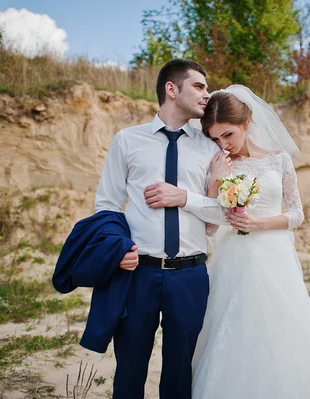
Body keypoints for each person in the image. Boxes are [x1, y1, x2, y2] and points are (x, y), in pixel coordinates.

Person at [189, 85, 310, 398]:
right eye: (215, 138)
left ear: (246, 125)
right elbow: (209, 229)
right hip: (233, 259)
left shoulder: (279, 160)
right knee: (235, 328)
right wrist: (213, 182)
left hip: (273, 255)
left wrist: (259, 224)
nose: (223, 145)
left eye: (228, 135)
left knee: (284, 325)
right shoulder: (220, 165)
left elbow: (297, 214)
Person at [94, 59, 231, 399]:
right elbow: (107, 204)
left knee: (180, 373)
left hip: (190, 275)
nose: (207, 94)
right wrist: (118, 247)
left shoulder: (212, 148)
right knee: (129, 371)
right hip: (137, 272)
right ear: (172, 89)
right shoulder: (127, 141)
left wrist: (185, 197)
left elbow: (219, 217)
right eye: (199, 86)